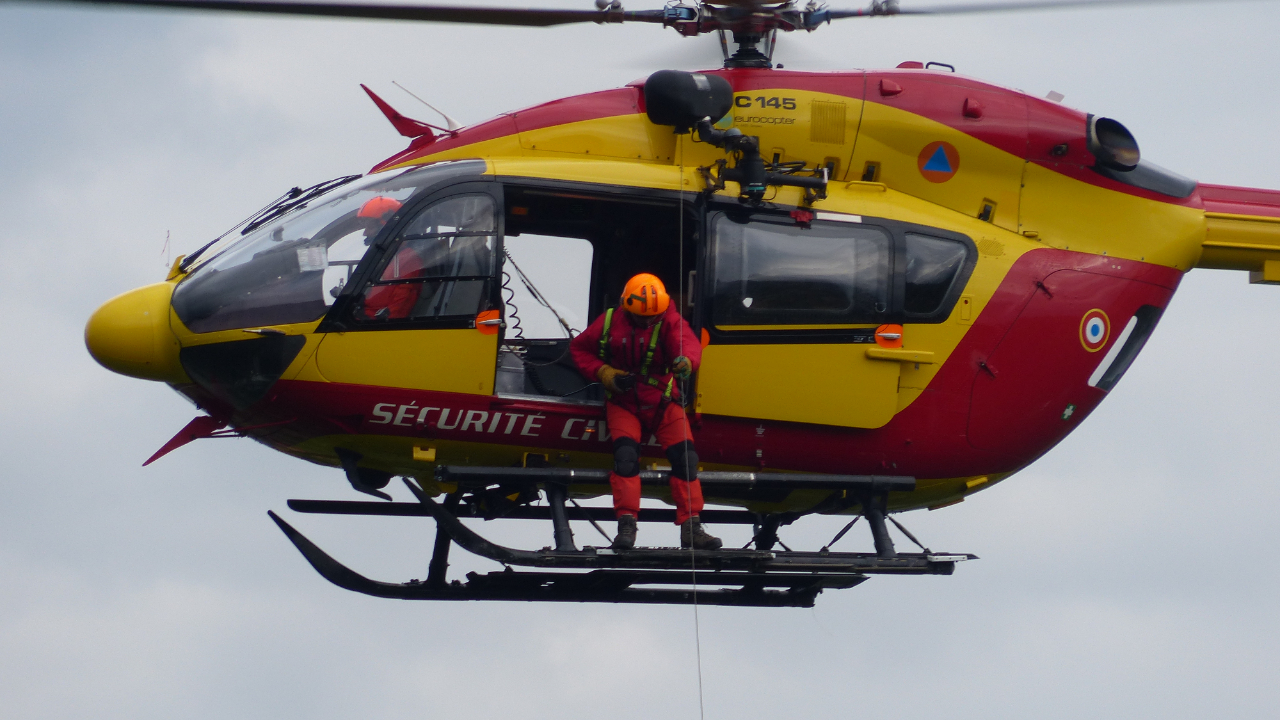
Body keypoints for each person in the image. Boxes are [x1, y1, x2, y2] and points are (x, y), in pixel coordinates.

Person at [569, 273, 723, 551]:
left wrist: (687, 361)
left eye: (653, 317)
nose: (648, 321)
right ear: (626, 306)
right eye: (642, 317)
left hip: (663, 401)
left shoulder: (669, 319)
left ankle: (692, 526)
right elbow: (580, 349)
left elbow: (688, 343)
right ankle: (626, 524)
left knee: (686, 459)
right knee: (626, 458)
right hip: (624, 402)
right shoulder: (607, 323)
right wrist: (604, 373)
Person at [354, 196, 423, 320]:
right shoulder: (382, 257)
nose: (365, 233)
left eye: (370, 227)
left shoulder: (408, 259)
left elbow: (398, 309)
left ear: (385, 227)